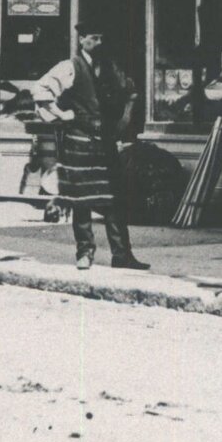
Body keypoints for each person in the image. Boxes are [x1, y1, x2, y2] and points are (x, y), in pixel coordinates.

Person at [48, 27, 150, 273]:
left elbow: (129, 94)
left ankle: (122, 255)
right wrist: (62, 115)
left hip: (105, 141)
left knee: (115, 199)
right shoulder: (69, 67)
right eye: (93, 37)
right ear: (81, 39)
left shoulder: (110, 66)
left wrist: (122, 123)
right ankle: (84, 253)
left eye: (101, 37)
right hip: (79, 139)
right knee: (81, 200)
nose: (98, 42)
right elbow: (42, 90)